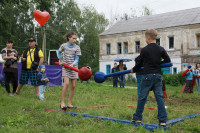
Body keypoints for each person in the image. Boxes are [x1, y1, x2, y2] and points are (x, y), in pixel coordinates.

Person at [131, 29, 171, 126]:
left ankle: (137, 118)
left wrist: (134, 69)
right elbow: (168, 60)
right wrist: (158, 63)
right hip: (157, 76)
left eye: (145, 37)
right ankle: (162, 120)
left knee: (142, 97)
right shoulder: (161, 49)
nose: (145, 39)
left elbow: (139, 63)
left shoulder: (144, 50)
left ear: (148, 37)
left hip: (147, 75)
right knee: (160, 98)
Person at [58, 32, 81, 110]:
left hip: (74, 68)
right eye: (73, 38)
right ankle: (62, 103)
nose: (75, 40)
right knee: (66, 84)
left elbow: (77, 59)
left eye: (76, 39)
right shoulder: (64, 46)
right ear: (69, 38)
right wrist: (60, 60)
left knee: (73, 86)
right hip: (65, 67)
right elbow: (59, 52)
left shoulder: (77, 47)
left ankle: (69, 103)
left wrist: (73, 64)